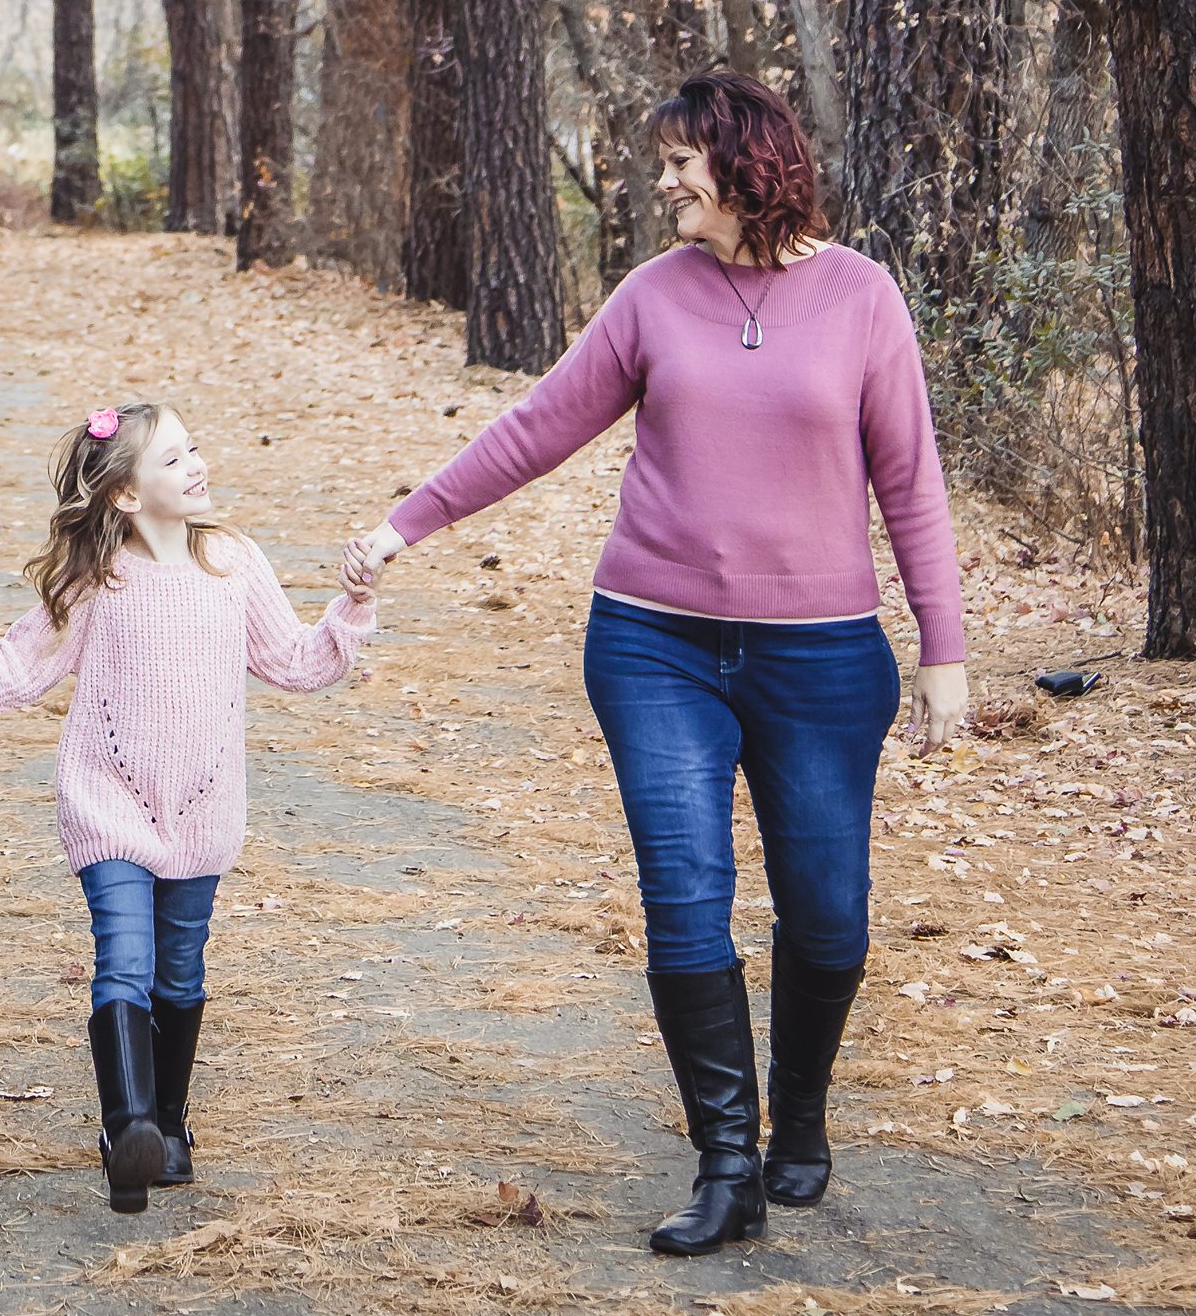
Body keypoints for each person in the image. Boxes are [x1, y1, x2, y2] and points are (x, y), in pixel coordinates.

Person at [346, 71, 967, 1256]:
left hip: (824, 658)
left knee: (828, 919)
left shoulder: (862, 300)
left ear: (746, 164)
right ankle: (725, 1162)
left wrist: (946, 649)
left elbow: (913, 485)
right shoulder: (653, 297)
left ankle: (803, 1118)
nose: (665, 178)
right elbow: (541, 423)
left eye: (685, 159)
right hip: (654, 644)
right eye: (665, 159)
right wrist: (404, 522)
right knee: (685, 899)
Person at [0, 396, 376, 1211]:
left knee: (180, 970)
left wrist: (352, 607)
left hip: (203, 810)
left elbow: (298, 662)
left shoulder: (233, 562)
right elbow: (23, 664)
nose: (196, 464)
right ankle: (125, 1124)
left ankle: (169, 1124)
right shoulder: (97, 580)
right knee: (124, 959)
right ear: (126, 495)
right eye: (173, 459)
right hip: (111, 807)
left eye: (193, 448)